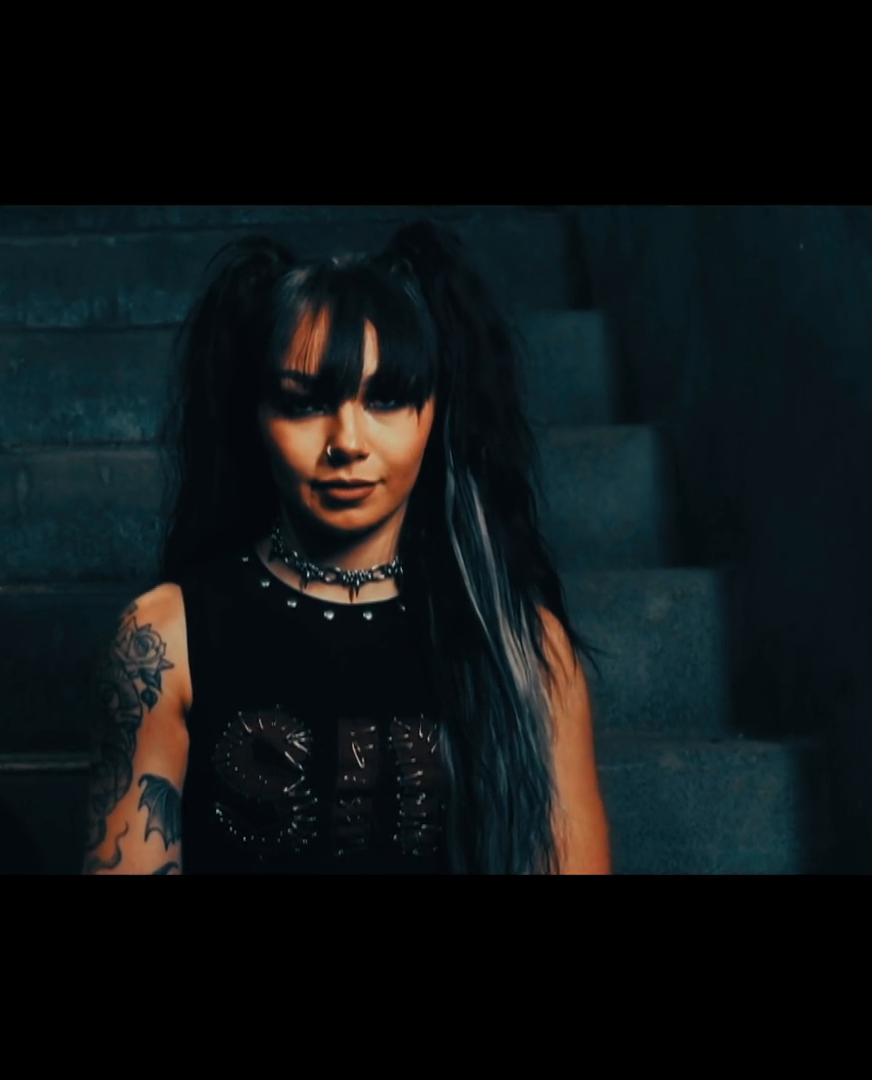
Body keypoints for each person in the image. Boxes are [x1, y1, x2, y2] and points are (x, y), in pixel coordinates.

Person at [83, 220, 611, 874]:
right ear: (255, 417)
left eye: (386, 399)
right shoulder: (163, 640)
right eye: (304, 404)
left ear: (436, 411)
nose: (348, 443)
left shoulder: (522, 646)